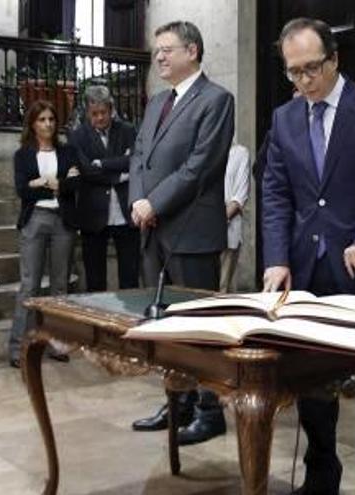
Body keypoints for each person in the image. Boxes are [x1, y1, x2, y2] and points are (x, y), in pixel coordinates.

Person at [262, 18, 355, 495]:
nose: (304, 80)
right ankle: (321, 475)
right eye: (294, 72)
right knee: (312, 382)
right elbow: (275, 194)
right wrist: (277, 257)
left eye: (312, 68)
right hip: (307, 270)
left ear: (335, 59)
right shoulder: (285, 118)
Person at [128, 20, 235, 446]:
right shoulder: (157, 102)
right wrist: (139, 201)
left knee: (200, 327)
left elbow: (200, 165)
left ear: (192, 51)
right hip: (152, 228)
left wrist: (154, 202)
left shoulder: (216, 100)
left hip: (191, 229)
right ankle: (178, 402)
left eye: (167, 49)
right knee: (166, 327)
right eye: (157, 50)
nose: (159, 57)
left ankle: (211, 410)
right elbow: (138, 154)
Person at [8, 100, 81, 368]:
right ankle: (19, 348)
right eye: (42, 120)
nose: (48, 124)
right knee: (30, 285)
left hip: (63, 220)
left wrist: (48, 183)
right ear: (32, 124)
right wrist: (57, 184)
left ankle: (57, 343)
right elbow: (23, 190)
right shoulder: (23, 154)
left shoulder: (68, 151)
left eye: (51, 119)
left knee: (60, 283)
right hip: (35, 219)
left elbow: (76, 184)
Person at [68, 85, 140, 292]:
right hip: (93, 215)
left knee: (130, 278)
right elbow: (87, 171)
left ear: (111, 109)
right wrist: (121, 173)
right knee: (95, 280)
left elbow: (135, 162)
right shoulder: (77, 136)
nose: (99, 118)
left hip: (126, 214)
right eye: (94, 114)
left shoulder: (127, 130)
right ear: (87, 112)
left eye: (104, 113)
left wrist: (103, 163)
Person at [221, 143, 251, 291]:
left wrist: (216, 223)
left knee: (223, 287)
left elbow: (240, 197)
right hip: (200, 234)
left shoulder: (240, 153)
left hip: (228, 229)